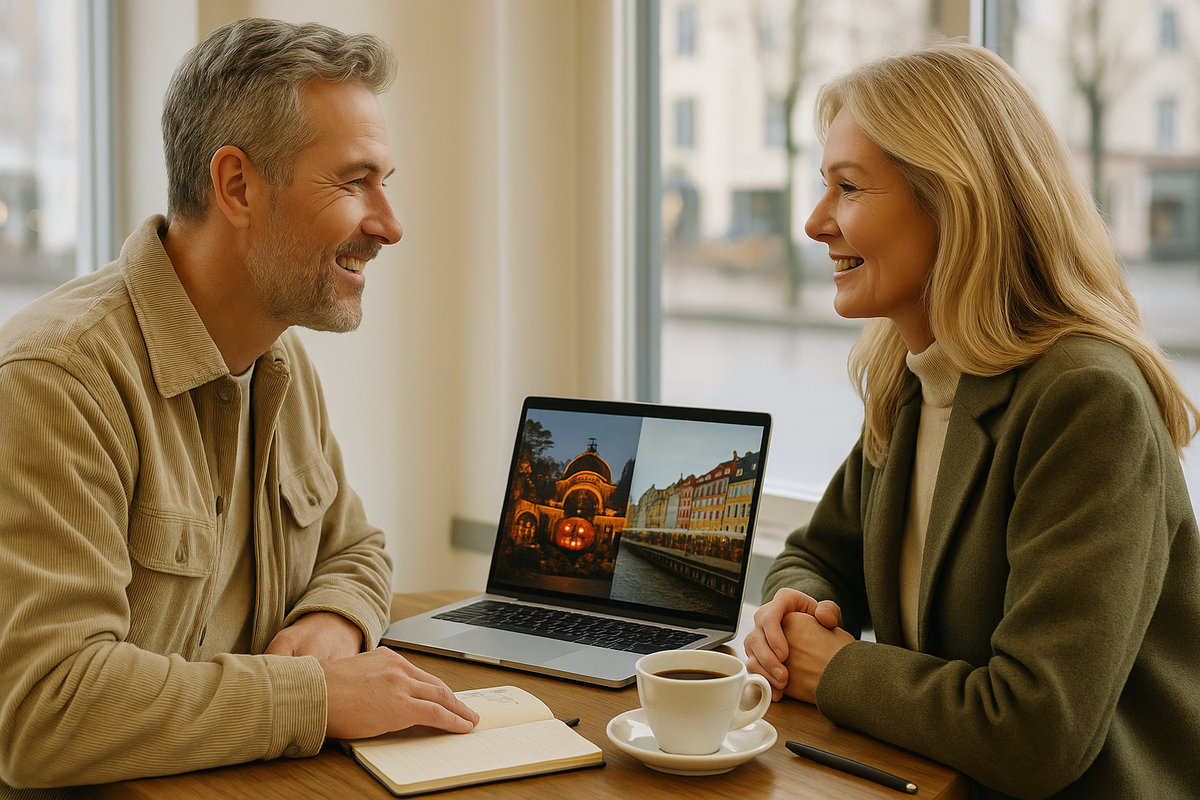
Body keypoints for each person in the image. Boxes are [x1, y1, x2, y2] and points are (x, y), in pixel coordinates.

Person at [0, 17, 479, 796]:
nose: (390, 225)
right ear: (236, 186)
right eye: (354, 181)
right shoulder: (56, 379)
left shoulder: (279, 358)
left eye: (384, 182)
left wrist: (338, 621)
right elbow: (46, 709)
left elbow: (355, 550)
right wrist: (318, 697)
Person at [743, 41, 1200, 799]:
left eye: (847, 188)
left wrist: (838, 668)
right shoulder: (913, 378)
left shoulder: (1087, 401)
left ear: (954, 201)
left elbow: (1036, 731)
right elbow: (815, 557)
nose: (815, 222)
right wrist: (791, 615)